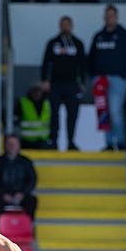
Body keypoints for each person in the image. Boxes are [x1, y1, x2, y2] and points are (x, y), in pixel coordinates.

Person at [40, 16, 86, 150]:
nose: (65, 27)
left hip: (72, 84)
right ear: (59, 26)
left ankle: (71, 141)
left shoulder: (78, 43)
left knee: (72, 114)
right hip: (55, 83)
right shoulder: (53, 42)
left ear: (72, 26)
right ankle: (53, 141)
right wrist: (45, 80)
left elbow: (83, 64)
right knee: (54, 114)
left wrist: (83, 82)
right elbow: (45, 62)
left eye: (67, 24)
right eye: (63, 24)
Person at [88, 5, 126, 150]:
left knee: (115, 111)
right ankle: (109, 143)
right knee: (103, 112)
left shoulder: (124, 35)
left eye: (111, 16)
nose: (109, 18)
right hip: (100, 80)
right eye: (107, 16)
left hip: (117, 79)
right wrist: (93, 76)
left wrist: (125, 74)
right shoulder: (99, 36)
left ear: (116, 17)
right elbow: (91, 57)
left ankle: (120, 141)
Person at [0, 135, 37, 219]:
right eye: (9, 144)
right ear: (5, 145)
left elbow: (32, 179)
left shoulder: (26, 161)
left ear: (19, 145)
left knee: (31, 201)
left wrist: (23, 193)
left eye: (14, 144)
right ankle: (1, 225)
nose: (12, 146)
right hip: (3, 195)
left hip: (22, 194)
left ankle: (28, 225)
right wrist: (3, 194)